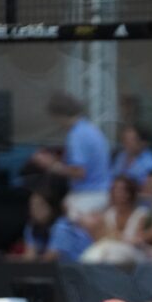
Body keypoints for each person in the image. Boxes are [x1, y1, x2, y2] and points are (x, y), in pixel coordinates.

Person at [31, 92, 112, 220]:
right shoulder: (90, 129)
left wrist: (51, 165)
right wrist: (55, 161)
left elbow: (79, 172)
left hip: (88, 196)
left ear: (58, 116)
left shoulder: (76, 135)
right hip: (100, 193)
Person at [80, 176, 152, 266]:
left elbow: (139, 240)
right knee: (100, 251)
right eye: (115, 190)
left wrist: (116, 236)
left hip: (134, 253)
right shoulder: (109, 213)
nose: (118, 193)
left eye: (122, 190)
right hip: (110, 250)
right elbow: (102, 237)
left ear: (130, 193)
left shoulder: (141, 214)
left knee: (108, 251)